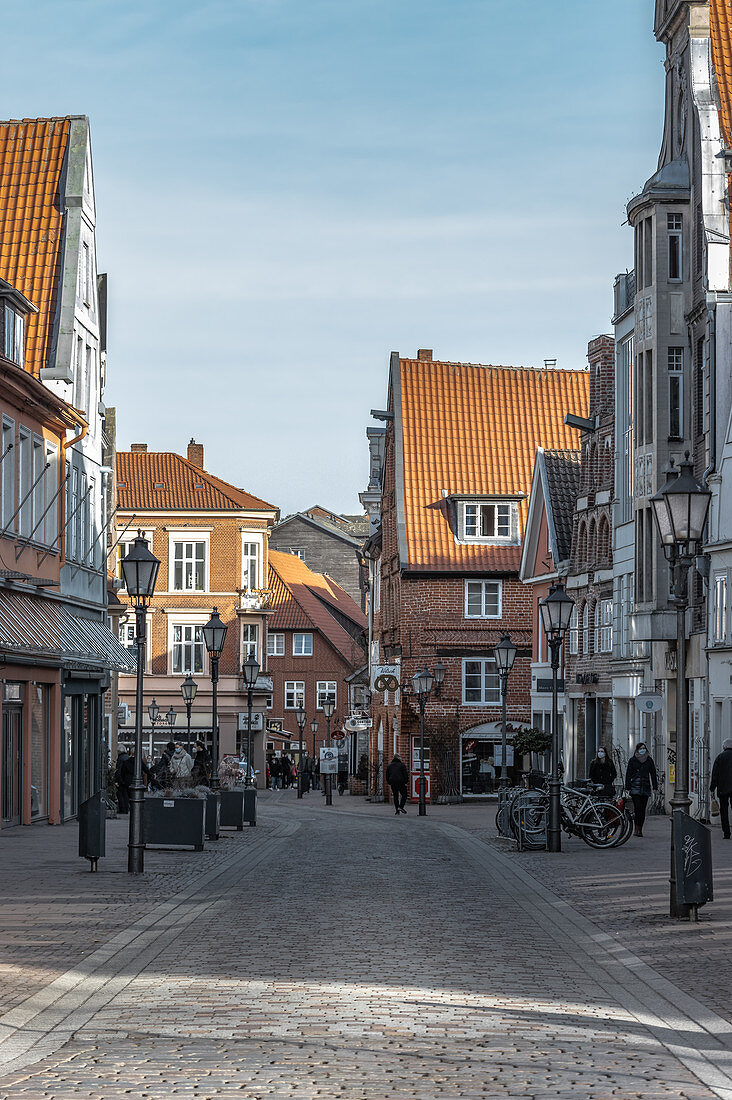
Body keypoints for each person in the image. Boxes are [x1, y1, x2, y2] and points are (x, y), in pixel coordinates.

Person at [625, 742, 658, 837]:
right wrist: (627, 787)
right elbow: (628, 774)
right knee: (638, 808)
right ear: (637, 750)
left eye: (644, 748)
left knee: (642, 810)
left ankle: (640, 829)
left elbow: (653, 774)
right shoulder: (633, 760)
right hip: (635, 787)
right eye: (640, 748)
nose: (642, 750)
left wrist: (655, 787)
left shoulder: (649, 760)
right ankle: (636, 828)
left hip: (645, 787)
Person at [710, 737, 732, 840]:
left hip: (723, 788)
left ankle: (726, 833)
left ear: (725, 746)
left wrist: (712, 788)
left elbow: (715, 774)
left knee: (724, 811)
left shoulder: (720, 757)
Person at [115, 745, 131, 813]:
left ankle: (123, 809)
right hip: (127, 779)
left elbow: (119, 770)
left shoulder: (120, 758)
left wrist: (117, 780)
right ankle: (126, 808)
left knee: (121, 794)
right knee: (126, 794)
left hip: (122, 779)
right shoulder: (127, 757)